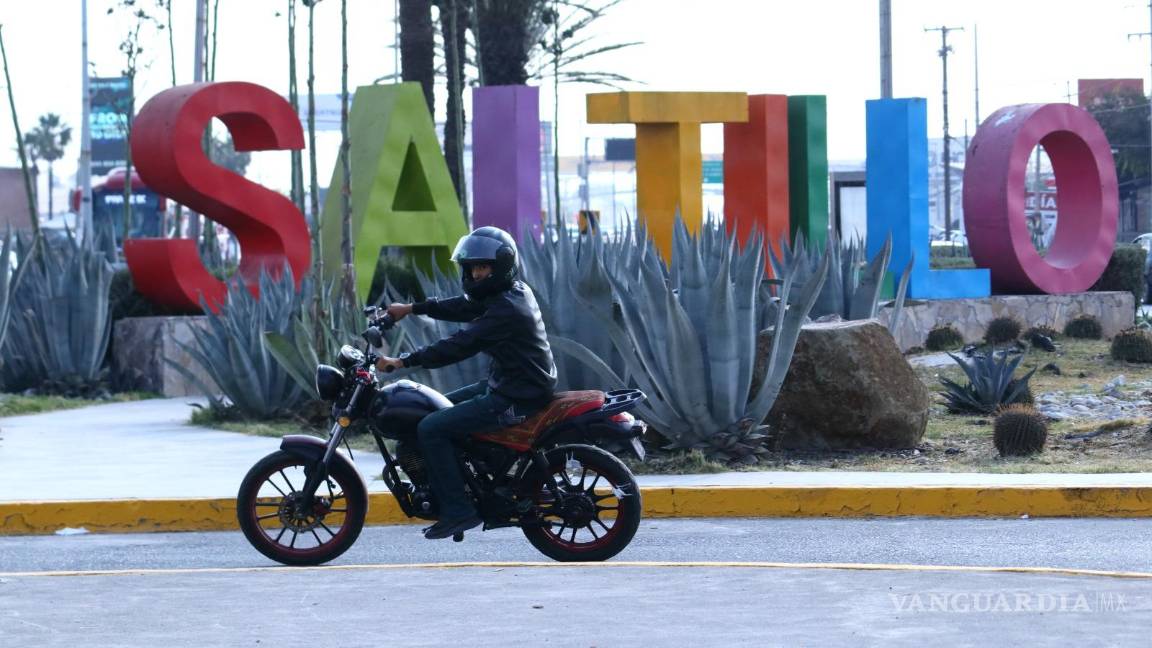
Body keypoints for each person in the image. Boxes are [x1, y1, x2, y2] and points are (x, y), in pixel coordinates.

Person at [376, 226, 558, 540]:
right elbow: (461, 307)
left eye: (482, 267)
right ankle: (475, 480)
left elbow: (460, 344)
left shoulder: (506, 309)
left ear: (499, 268)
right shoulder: (506, 293)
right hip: (508, 384)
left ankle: (459, 511)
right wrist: (411, 309)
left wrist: (402, 361)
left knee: (432, 428)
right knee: (436, 410)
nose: (475, 274)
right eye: (471, 267)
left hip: (518, 396)